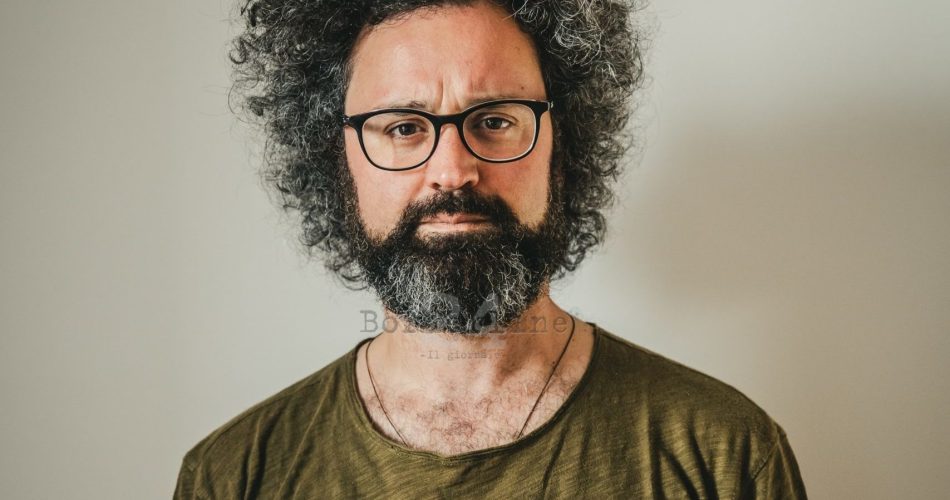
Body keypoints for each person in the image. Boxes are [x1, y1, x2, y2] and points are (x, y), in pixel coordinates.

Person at [174, 0, 807, 498]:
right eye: (403, 127)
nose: (452, 171)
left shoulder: (725, 453)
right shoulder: (234, 476)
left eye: (496, 120)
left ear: (563, 146)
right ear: (337, 162)